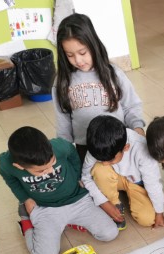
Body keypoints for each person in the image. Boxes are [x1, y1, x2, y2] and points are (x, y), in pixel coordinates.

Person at [0, 126, 118, 254]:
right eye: (41, 171)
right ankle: (26, 221)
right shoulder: (6, 163)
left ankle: (70, 222)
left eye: (53, 162)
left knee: (110, 233)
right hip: (45, 208)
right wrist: (25, 199)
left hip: (78, 199)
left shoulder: (59, 146)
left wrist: (78, 176)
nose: (50, 171)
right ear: (19, 166)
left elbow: (72, 153)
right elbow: (10, 179)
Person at [54, 13, 146, 162]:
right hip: (85, 149)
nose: (78, 60)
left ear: (94, 45)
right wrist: (65, 150)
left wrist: (137, 127)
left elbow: (131, 105)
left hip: (117, 144)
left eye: (82, 52)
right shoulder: (62, 81)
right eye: (70, 55)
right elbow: (63, 120)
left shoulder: (114, 73)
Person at [81, 115, 164, 228]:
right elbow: (85, 177)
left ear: (126, 147)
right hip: (113, 177)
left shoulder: (142, 148)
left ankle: (125, 193)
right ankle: (115, 202)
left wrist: (160, 213)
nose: (105, 163)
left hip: (136, 183)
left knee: (148, 219)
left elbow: (153, 183)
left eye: (110, 160)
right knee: (99, 169)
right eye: (101, 159)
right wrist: (104, 203)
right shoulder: (97, 147)